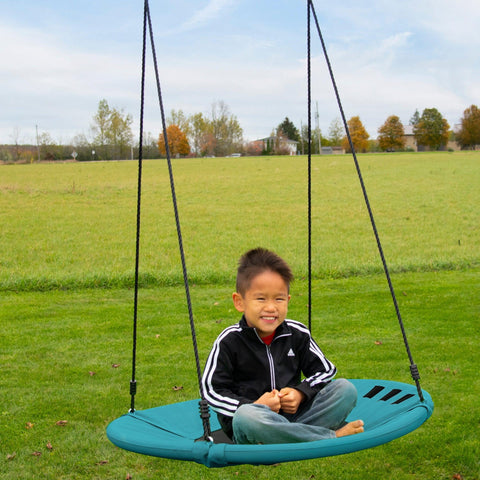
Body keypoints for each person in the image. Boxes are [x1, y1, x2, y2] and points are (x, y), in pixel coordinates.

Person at [201, 247, 364, 444]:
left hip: (295, 417)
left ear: (287, 300)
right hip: (253, 425)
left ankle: (286, 438)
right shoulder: (229, 341)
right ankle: (327, 437)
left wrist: (300, 393)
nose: (271, 307)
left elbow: (325, 371)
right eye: (260, 298)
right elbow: (212, 390)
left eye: (278, 299)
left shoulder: (296, 333)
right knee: (247, 416)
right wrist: (255, 405)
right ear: (240, 302)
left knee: (345, 390)